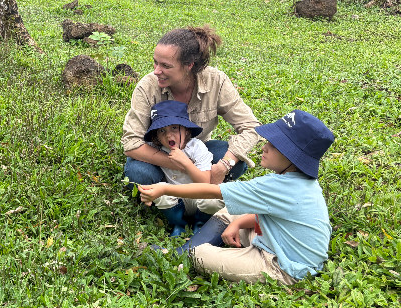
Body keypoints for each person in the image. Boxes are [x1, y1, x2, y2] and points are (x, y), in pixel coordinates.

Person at [138, 110, 335, 284]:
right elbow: (276, 216)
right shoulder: (300, 182)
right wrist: (238, 223)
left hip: (283, 267)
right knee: (231, 213)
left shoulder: (276, 186)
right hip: (276, 239)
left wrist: (164, 189)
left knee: (201, 255)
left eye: (274, 146)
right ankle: (182, 252)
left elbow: (214, 191)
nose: (264, 147)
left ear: (293, 157)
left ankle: (183, 255)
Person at [122, 26, 260, 190]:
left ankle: (187, 192)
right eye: (155, 62)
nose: (156, 71)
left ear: (189, 65)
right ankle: (179, 193)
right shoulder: (147, 87)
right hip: (158, 155)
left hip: (197, 152)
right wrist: (185, 166)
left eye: (166, 65)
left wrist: (224, 165)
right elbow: (131, 144)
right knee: (139, 174)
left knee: (236, 162)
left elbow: (252, 127)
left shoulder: (216, 81)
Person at [143, 100, 224, 237]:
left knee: (216, 197)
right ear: (156, 136)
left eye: (174, 128)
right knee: (159, 188)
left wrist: (186, 163)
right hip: (176, 198)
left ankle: (200, 223)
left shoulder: (196, 147)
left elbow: (205, 182)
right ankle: (179, 224)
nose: (169, 135)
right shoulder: (158, 150)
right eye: (162, 131)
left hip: (199, 197)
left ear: (186, 130)